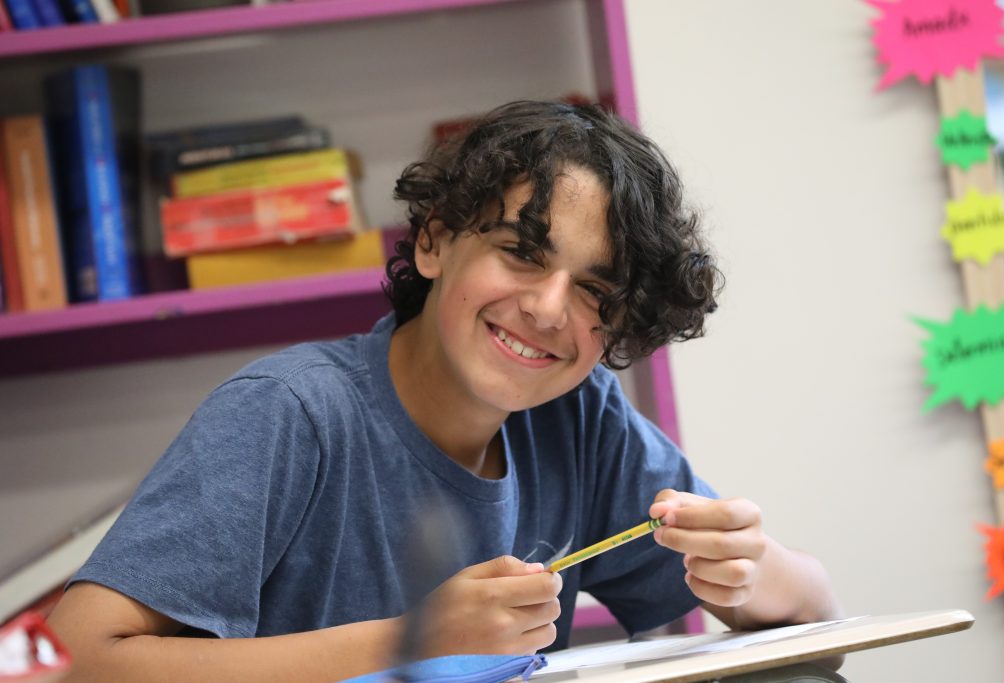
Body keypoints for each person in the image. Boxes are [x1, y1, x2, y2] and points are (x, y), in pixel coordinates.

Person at [47, 100, 842, 682]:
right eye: (521, 254)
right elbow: (77, 661)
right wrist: (411, 641)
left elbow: (822, 628)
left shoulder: (580, 416)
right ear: (432, 240)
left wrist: (749, 567)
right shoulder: (290, 412)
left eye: (596, 289)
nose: (547, 307)